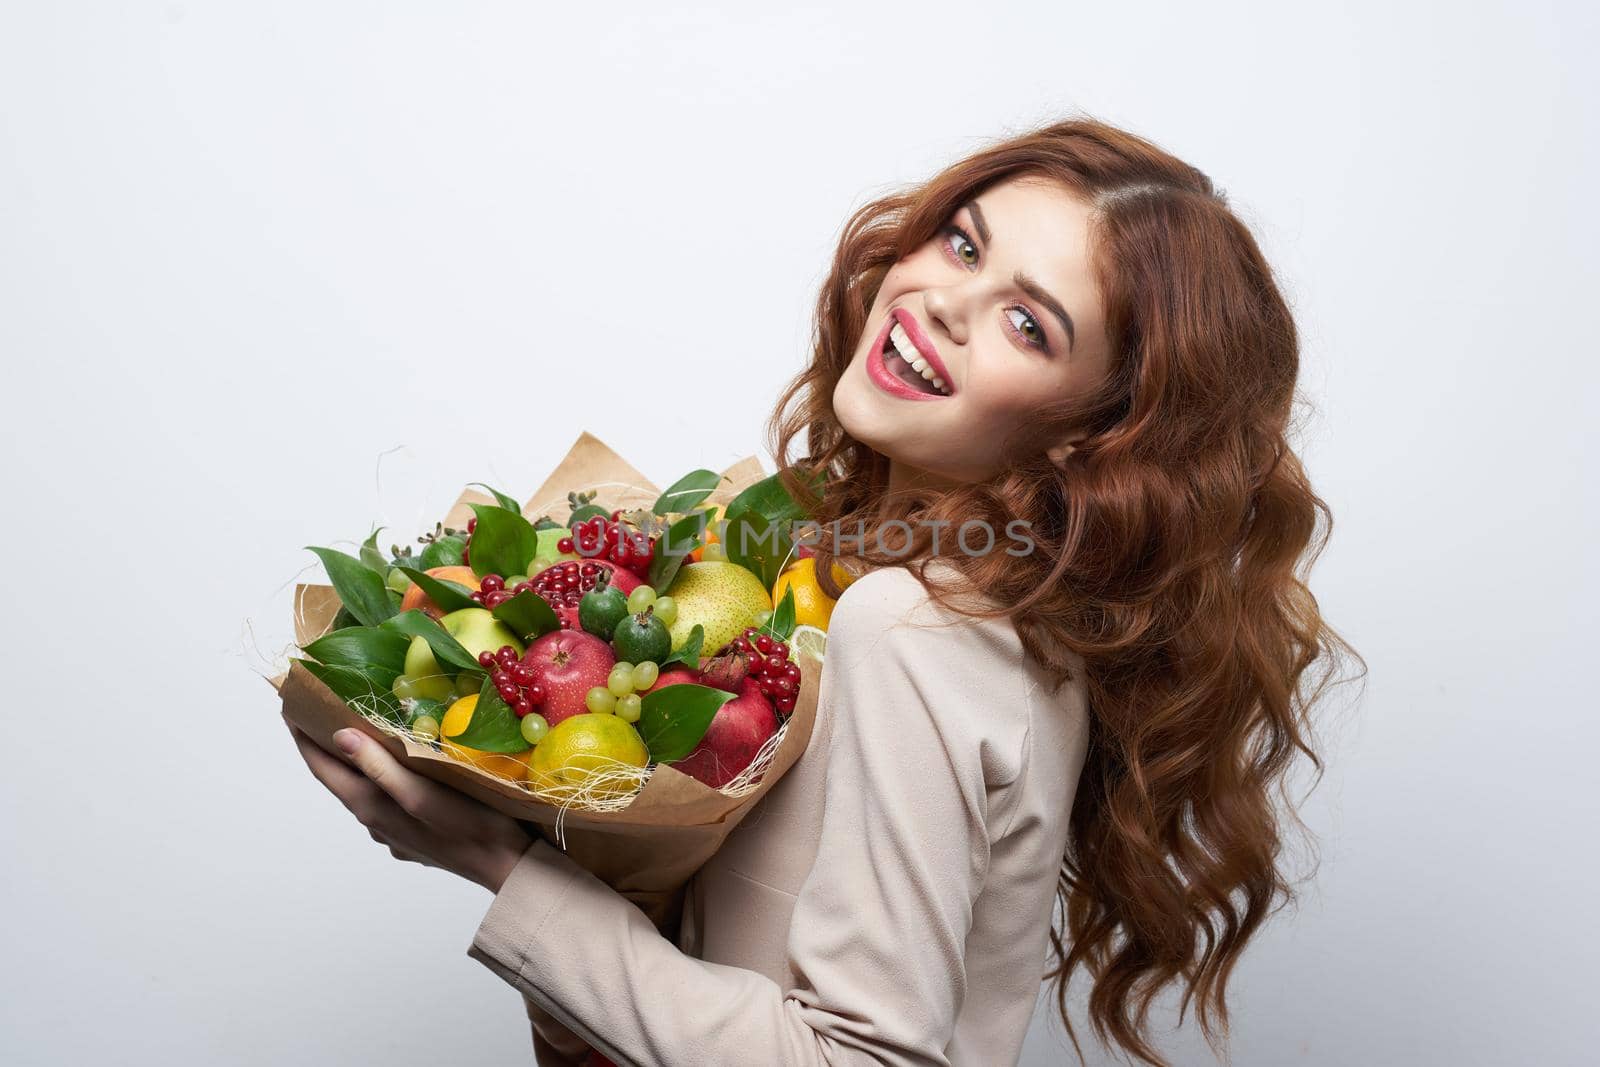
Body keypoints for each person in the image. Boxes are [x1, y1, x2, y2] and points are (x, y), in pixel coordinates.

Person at [287, 114, 1363, 1067]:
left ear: (1096, 436)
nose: (943, 302)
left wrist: (496, 863)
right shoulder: (904, 597)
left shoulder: (919, 630)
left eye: (1028, 323)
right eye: (962, 243)